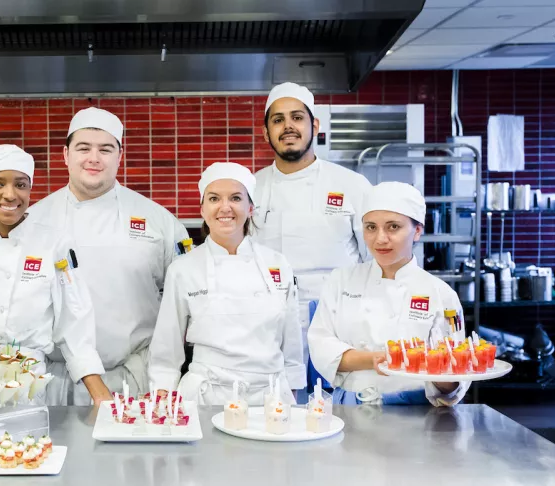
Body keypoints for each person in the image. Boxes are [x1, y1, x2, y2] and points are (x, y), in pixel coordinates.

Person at [26, 107, 189, 404]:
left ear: (119, 156)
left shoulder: (159, 222)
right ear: (65, 155)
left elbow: (184, 300)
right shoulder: (33, 222)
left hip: (136, 378)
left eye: (105, 149)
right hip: (56, 383)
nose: (94, 158)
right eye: (83, 148)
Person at [0, 144, 111, 405]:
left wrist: (98, 390)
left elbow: (74, 320)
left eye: (21, 185)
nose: (10, 195)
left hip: (26, 379)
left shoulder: (54, 244)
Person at [148, 162, 305, 405]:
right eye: (214, 199)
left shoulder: (278, 264)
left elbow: (292, 339)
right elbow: (166, 347)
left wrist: (291, 391)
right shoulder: (183, 269)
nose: (225, 207)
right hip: (206, 397)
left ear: (250, 207)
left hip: (270, 397)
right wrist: (162, 396)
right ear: (202, 209)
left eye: (235, 198)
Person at [250, 81, 373, 386]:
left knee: (342, 414)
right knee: (277, 413)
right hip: (270, 326)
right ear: (266, 132)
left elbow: (377, 261)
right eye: (278, 120)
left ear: (314, 125)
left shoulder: (353, 186)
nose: (288, 126)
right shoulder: (250, 189)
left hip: (337, 325)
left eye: (297, 117)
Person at [308, 182, 469, 406]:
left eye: (393, 227)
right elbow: (321, 346)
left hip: (415, 416)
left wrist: (441, 375)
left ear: (418, 231)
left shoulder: (440, 294)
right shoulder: (341, 281)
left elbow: (455, 379)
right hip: (349, 410)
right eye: (371, 227)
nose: (380, 239)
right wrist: (375, 359)